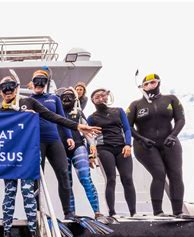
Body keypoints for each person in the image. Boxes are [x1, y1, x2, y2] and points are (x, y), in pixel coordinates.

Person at [0, 76, 101, 237]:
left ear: (17, 88)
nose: (8, 90)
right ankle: (6, 234)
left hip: (26, 158)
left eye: (11, 86)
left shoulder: (29, 102)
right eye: (4, 87)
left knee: (28, 193)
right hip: (10, 161)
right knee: (9, 194)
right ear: (0, 91)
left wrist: (78, 127)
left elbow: (54, 116)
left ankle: (34, 236)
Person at [126, 74, 185, 216]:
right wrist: (140, 139)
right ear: (142, 87)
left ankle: (178, 212)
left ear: (158, 83)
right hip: (145, 145)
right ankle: (158, 211)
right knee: (159, 173)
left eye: (152, 82)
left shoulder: (171, 99)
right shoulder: (135, 105)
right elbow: (127, 126)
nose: (149, 86)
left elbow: (181, 119)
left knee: (176, 174)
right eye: (145, 84)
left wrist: (173, 135)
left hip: (169, 142)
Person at [30, 70, 75, 220]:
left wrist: (69, 136)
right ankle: (37, 212)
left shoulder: (54, 99)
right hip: (37, 142)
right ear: (32, 83)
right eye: (37, 80)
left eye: (43, 80)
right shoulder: (27, 100)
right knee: (37, 177)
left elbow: (61, 118)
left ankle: (68, 212)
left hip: (54, 140)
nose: (39, 84)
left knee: (63, 173)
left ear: (47, 83)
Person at [87, 88, 137, 217]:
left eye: (102, 96)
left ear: (107, 97)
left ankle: (133, 212)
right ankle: (112, 212)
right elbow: (88, 136)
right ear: (92, 100)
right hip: (104, 148)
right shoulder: (91, 118)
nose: (100, 98)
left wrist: (128, 144)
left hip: (122, 148)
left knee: (127, 178)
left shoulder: (119, 111)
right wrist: (91, 154)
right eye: (96, 97)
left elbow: (126, 129)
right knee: (111, 179)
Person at [58, 88, 101, 218]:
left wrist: (92, 150)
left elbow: (88, 133)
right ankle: (71, 214)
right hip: (61, 149)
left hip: (78, 147)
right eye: (64, 97)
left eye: (70, 96)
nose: (66, 99)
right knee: (66, 182)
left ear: (75, 99)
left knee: (85, 178)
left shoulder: (78, 112)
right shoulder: (54, 113)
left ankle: (97, 212)